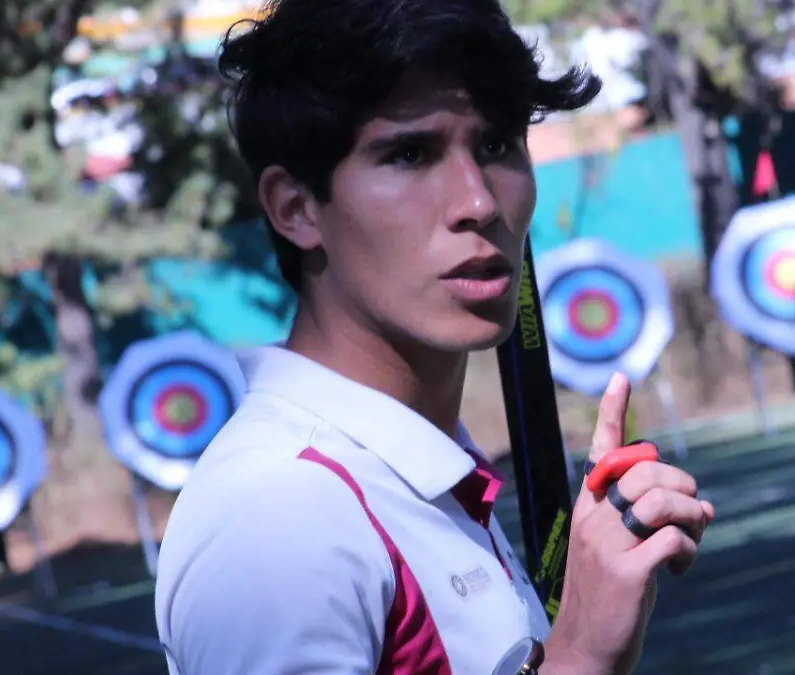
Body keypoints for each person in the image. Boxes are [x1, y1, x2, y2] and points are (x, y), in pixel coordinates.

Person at [153, 1, 715, 673]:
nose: (479, 202)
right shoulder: (280, 516)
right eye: (410, 154)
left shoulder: (403, 471)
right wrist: (579, 655)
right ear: (296, 208)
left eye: (497, 145)